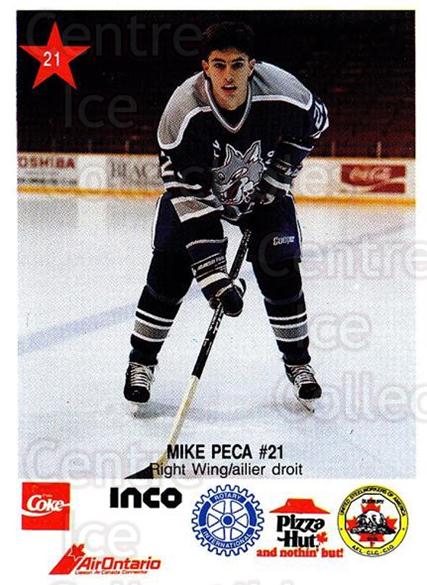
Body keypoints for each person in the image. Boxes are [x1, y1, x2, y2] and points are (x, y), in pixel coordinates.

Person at [124, 21, 329, 406]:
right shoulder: (183, 112)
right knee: (168, 273)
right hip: (196, 192)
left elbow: (316, 124)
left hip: (262, 190)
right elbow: (189, 192)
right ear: (205, 66)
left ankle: (299, 365)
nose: (228, 75)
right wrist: (214, 278)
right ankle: (141, 362)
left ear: (252, 65)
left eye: (237, 64)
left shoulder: (285, 93)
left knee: (282, 274)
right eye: (219, 65)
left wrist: (278, 177)